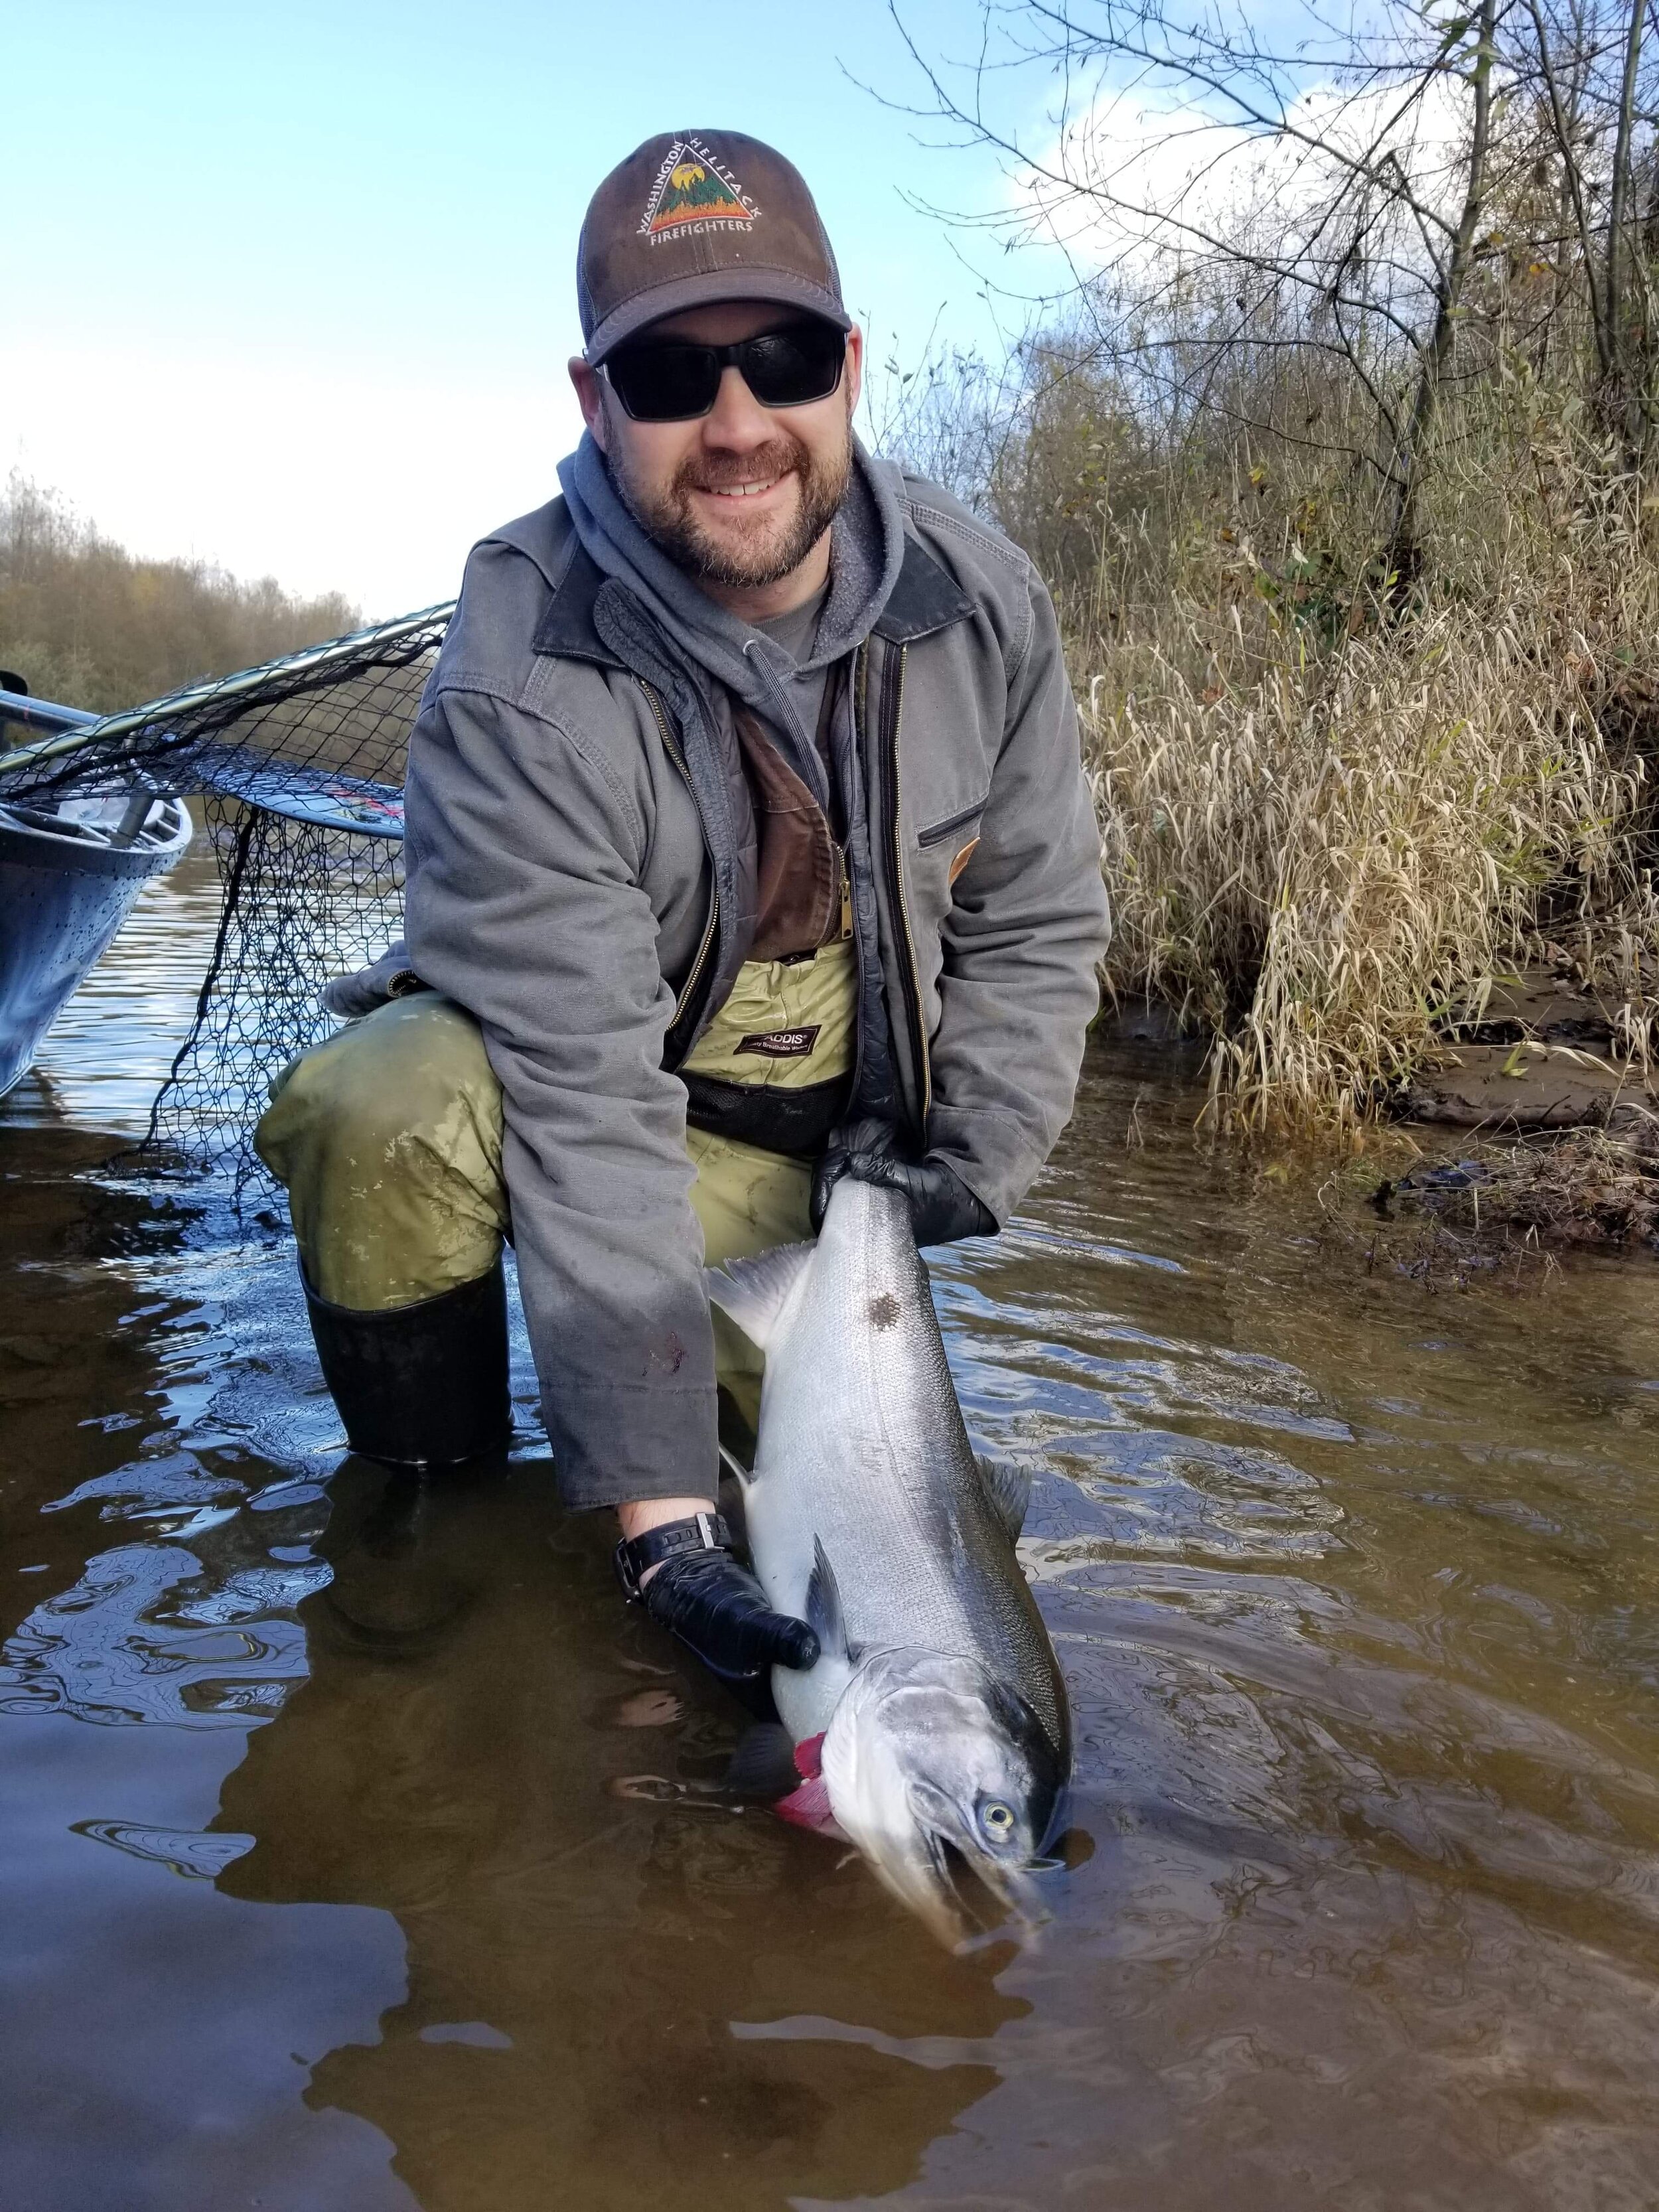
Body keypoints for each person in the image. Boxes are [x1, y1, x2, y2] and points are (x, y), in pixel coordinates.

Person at [254, 129, 1111, 1702]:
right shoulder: (520, 661)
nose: (734, 425)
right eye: (669, 375)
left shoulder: (985, 610)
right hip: (616, 1125)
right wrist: (653, 1529)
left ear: (847, 369)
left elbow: (1041, 923)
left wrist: (957, 1174)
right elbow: (583, 1094)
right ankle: (424, 1525)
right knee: (380, 1099)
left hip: (850, 1176)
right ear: (594, 403)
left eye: (778, 357)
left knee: (849, 1575)